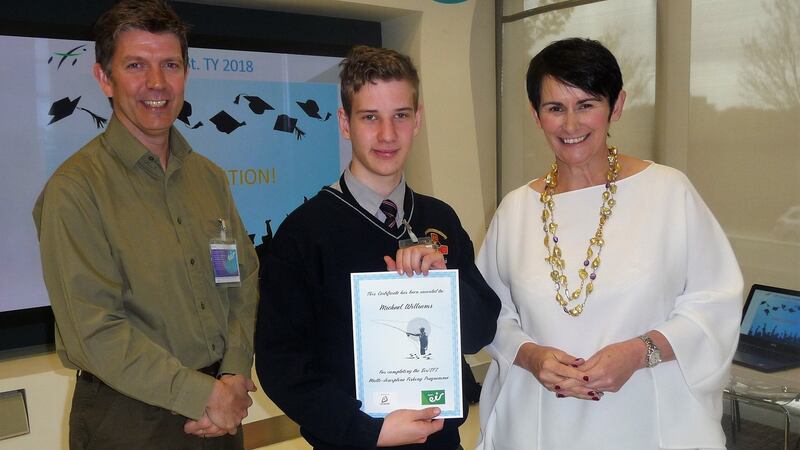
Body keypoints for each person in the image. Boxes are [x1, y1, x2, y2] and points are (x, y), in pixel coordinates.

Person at [475, 38, 743, 450]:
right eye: (555, 108)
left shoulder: (667, 192)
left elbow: (714, 302)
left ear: (616, 106)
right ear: (535, 114)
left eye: (586, 105)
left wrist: (639, 352)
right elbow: (490, 314)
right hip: (540, 423)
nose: (570, 125)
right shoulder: (516, 209)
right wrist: (531, 356)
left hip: (649, 422)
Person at [32, 1, 259, 448]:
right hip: (128, 420)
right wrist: (202, 395)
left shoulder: (209, 178)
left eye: (170, 65)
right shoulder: (75, 190)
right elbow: (95, 331)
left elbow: (239, 280)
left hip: (221, 412)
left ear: (186, 74)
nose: (156, 83)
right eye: (136, 65)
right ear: (105, 78)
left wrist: (233, 372)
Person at [255, 45, 501, 450]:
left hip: (441, 442)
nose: (387, 134)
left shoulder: (439, 219)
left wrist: (445, 284)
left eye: (400, 116)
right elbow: (281, 365)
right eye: (370, 117)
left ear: (417, 120)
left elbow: (479, 334)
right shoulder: (303, 234)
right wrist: (369, 431)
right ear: (345, 123)